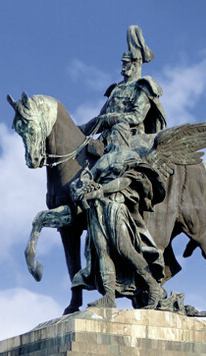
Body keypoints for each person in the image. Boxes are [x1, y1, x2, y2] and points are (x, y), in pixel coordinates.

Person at [71, 26, 167, 309]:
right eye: (122, 64)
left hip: (134, 141)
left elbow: (136, 116)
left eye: (127, 63)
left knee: (124, 247)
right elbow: (96, 121)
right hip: (110, 146)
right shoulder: (115, 90)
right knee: (100, 247)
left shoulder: (144, 87)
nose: (123, 68)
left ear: (137, 63)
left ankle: (150, 284)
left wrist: (113, 122)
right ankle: (109, 295)